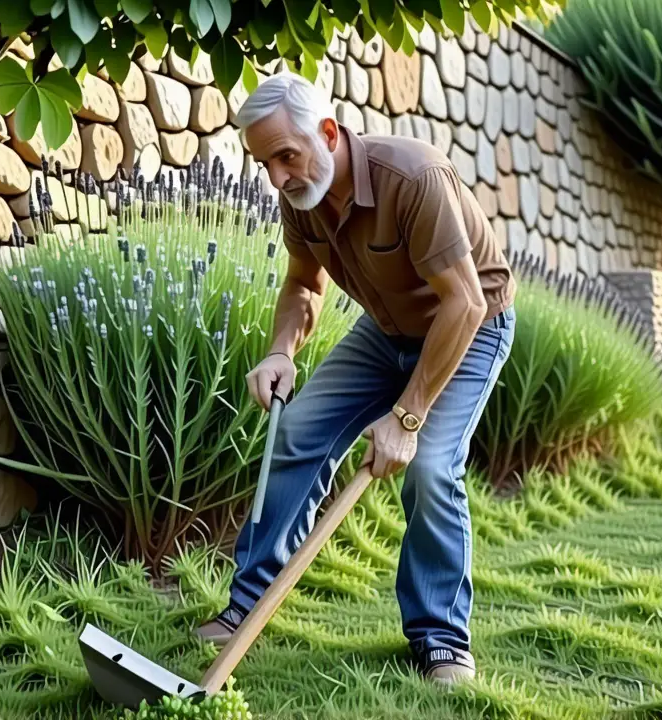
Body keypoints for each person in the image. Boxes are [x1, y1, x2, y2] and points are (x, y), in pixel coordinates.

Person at [194, 72, 516, 687]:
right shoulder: (302, 195)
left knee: (429, 468)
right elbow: (303, 285)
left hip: (469, 329)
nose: (276, 179)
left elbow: (466, 302)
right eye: (264, 165)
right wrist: (282, 351)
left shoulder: (414, 178)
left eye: (285, 157)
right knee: (296, 432)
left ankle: (442, 641)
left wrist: (407, 417)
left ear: (328, 132)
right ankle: (248, 608)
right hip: (387, 332)